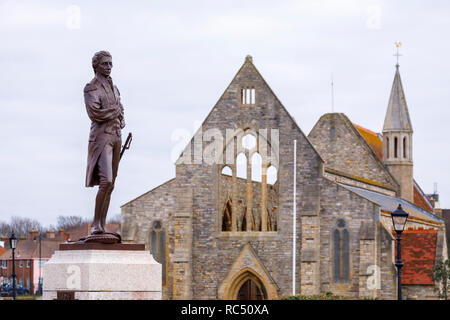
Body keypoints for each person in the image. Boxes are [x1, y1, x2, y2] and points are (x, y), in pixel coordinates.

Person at [84, 51, 125, 235]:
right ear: (96, 66)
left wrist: (120, 116)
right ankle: (95, 224)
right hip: (101, 139)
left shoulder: (115, 88)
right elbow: (95, 114)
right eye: (105, 64)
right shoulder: (91, 88)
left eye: (110, 64)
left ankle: (102, 225)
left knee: (112, 183)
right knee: (105, 180)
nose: (109, 67)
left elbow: (120, 110)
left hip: (116, 137)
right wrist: (115, 111)